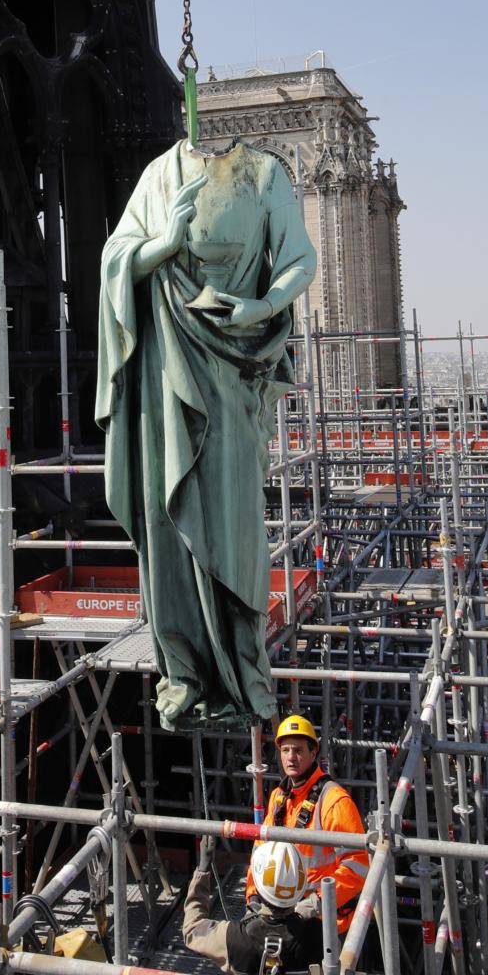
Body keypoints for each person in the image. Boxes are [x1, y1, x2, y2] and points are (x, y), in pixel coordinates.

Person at [96, 141, 316, 732]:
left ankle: (245, 668)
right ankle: (185, 671)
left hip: (233, 365)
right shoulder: (156, 172)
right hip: (167, 367)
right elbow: (114, 257)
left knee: (235, 525)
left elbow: (301, 258)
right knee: (167, 520)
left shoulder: (265, 172)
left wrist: (261, 305)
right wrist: (161, 245)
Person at [183, 714, 369, 975]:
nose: (291, 757)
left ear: (314, 752)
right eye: (285, 750)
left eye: (298, 750)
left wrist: (316, 902)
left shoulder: (334, 801)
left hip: (324, 923)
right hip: (281, 914)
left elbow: (359, 865)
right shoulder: (279, 798)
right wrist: (253, 898)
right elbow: (261, 852)